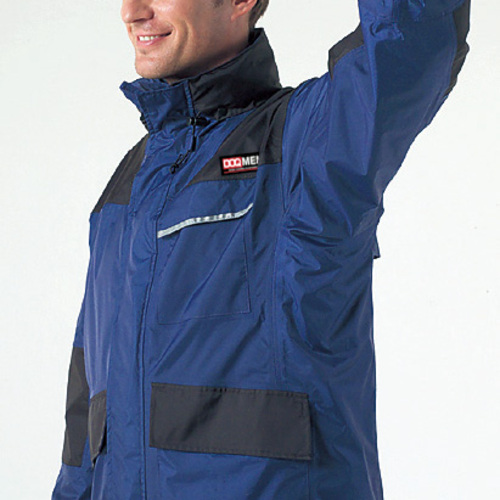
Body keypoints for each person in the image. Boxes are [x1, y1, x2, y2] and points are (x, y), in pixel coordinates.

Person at [52, 0, 471, 498]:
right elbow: (86, 414)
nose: (132, 12)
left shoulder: (303, 144)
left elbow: (409, 45)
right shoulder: (126, 187)